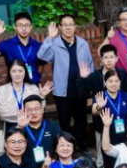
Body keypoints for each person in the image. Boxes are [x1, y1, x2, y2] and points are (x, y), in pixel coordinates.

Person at [38, 15, 94, 146]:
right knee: (64, 121)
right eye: (65, 25)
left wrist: (89, 84)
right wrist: (49, 38)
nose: (68, 27)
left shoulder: (83, 43)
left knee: (81, 120)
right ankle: (66, 148)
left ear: (75, 26)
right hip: (62, 92)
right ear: (60, 27)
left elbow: (90, 64)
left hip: (80, 89)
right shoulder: (54, 44)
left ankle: (82, 147)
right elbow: (41, 56)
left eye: (71, 24)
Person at [0, 60, 52, 153]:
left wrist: (42, 96)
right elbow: (3, 113)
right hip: (12, 125)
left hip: (31, 125)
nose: (17, 74)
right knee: (15, 152)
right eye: (14, 71)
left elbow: (40, 109)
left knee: (32, 151)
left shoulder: (33, 88)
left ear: (25, 72)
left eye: (20, 71)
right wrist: (27, 113)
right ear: (9, 73)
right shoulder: (2, 90)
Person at [90, 70, 127, 168]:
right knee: (109, 166)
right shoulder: (100, 96)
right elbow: (94, 111)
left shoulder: (126, 96)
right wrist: (99, 106)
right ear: (105, 82)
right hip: (108, 136)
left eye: (116, 81)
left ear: (120, 82)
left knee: (125, 164)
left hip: (125, 137)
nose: (113, 84)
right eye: (110, 81)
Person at [0, 12, 46, 82]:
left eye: (27, 25)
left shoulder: (38, 46)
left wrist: (35, 79)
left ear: (31, 27)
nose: (24, 28)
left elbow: (41, 65)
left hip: (34, 85)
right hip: (15, 85)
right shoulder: (7, 45)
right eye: (20, 25)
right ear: (15, 27)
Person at [18, 95, 61, 166]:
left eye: (36, 109)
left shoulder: (53, 127)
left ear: (42, 110)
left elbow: (61, 146)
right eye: (29, 110)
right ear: (24, 111)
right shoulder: (19, 129)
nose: (33, 112)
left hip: (51, 166)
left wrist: (54, 160)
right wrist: (20, 127)